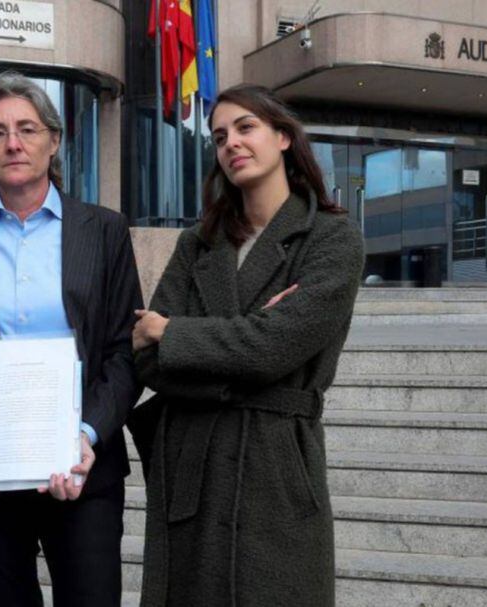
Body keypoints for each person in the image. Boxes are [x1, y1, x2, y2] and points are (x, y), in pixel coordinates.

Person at [130, 84, 364, 606]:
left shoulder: (331, 239)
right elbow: (146, 359)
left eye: (245, 127)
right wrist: (247, 339)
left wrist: (174, 333)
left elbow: (275, 346)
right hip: (194, 458)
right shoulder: (198, 243)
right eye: (218, 136)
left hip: (275, 462)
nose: (230, 143)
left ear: (283, 137)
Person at [0, 71, 142, 607]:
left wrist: (87, 436)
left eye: (26, 128)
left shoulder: (105, 231)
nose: (13, 143)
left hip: (80, 468)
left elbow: (122, 350)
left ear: (54, 139)